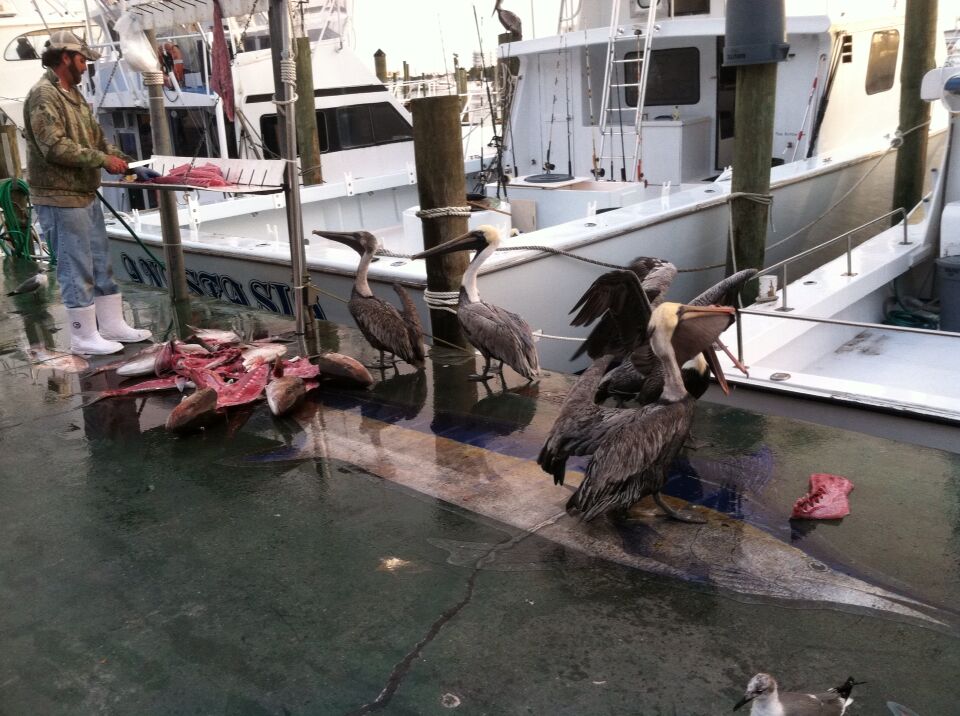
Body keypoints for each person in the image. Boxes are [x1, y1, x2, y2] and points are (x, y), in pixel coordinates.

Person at [23, 30, 151, 355]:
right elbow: (54, 147)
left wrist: (129, 163)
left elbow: (97, 141)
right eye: (82, 60)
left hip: (84, 195)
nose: (86, 66)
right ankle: (83, 337)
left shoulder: (75, 96)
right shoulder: (43, 95)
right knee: (75, 266)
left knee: (98, 262)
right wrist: (102, 160)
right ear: (65, 58)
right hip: (59, 199)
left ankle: (111, 325)